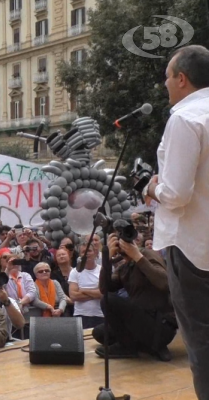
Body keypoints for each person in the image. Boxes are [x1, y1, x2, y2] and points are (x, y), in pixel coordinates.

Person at [140, 44, 209, 397]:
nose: (164, 84)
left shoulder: (185, 118)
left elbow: (178, 194)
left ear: (182, 78)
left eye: (167, 76)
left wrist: (154, 187)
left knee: (202, 345)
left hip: (193, 249)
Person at [92, 233, 177, 361]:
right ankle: (141, 346)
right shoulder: (124, 267)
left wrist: (137, 256)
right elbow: (105, 288)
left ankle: (131, 346)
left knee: (109, 300)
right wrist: (107, 260)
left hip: (160, 324)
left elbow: (164, 283)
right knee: (99, 333)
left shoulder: (147, 254)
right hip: (139, 322)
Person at [68, 243, 103, 329]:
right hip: (81, 315)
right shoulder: (74, 272)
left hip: (100, 315)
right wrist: (95, 292)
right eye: (84, 251)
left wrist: (83, 290)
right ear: (80, 254)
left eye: (89, 251)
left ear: (95, 252)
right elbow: (73, 295)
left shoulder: (102, 270)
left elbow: (103, 294)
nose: (87, 253)